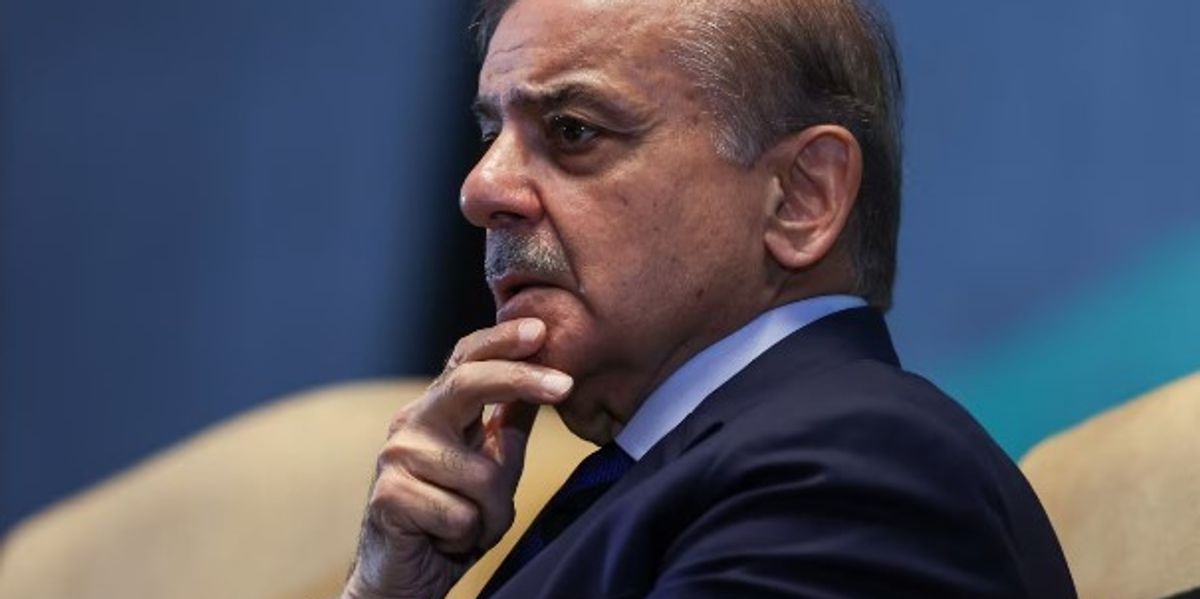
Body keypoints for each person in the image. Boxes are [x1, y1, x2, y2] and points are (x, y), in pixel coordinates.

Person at [341, 0, 1077, 597]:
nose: (480, 190)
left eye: (572, 131)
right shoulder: (697, 470)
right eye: (490, 134)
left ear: (801, 197)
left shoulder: (849, 470)